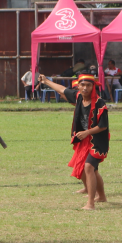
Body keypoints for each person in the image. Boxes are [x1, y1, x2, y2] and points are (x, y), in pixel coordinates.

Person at [39, 73, 109, 210]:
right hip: (83, 140)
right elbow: (61, 89)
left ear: (93, 86)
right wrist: (46, 81)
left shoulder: (99, 103)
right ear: (78, 86)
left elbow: (103, 126)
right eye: (82, 85)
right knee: (91, 169)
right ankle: (101, 196)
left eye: (88, 85)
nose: (85, 88)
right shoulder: (79, 97)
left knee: (89, 167)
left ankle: (90, 203)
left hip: (97, 141)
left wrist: (87, 132)